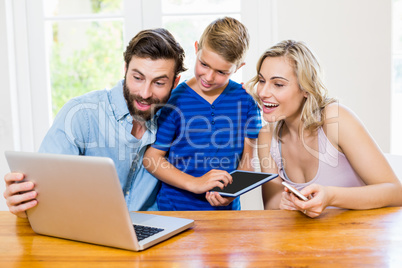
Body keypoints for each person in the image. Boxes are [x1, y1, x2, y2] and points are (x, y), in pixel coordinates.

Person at [3, 28, 186, 218]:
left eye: (159, 83)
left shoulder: (176, 120)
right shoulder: (81, 115)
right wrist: (24, 205)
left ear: (174, 82)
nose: (145, 93)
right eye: (138, 78)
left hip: (152, 230)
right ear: (125, 69)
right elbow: (42, 194)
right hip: (88, 231)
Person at [246, 40, 402, 218]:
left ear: (305, 88)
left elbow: (396, 192)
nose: (263, 92)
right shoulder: (267, 136)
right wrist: (285, 203)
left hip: (357, 238)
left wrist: (331, 196)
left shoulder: (336, 120)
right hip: (306, 242)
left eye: (278, 84)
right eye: (261, 80)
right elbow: (272, 207)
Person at [143, 17, 262, 211]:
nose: (209, 77)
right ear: (197, 48)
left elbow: (247, 161)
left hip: (225, 215)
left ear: (238, 68)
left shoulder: (247, 101)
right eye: (204, 64)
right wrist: (195, 183)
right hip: (175, 212)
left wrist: (232, 193)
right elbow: (152, 158)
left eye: (222, 72)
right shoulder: (174, 100)